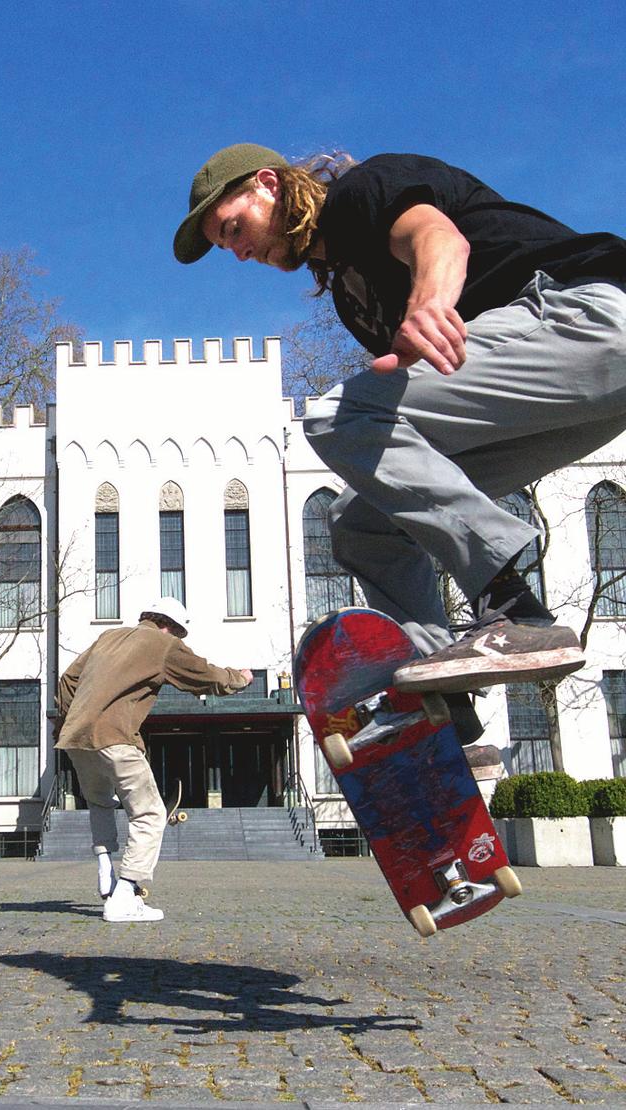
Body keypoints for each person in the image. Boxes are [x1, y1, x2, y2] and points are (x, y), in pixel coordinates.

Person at [173, 143, 626, 714]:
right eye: (226, 246)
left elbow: (438, 239)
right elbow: (404, 436)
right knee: (360, 522)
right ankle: (437, 694)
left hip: (588, 317)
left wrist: (428, 303)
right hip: (581, 400)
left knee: (336, 414)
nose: (239, 252)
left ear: (270, 184)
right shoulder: (353, 296)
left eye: (234, 228)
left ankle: (514, 606)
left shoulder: (359, 193)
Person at [55, 597, 252, 923]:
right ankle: (125, 894)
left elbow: (68, 680)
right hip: (116, 738)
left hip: (76, 738)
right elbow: (205, 675)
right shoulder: (163, 644)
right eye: (178, 634)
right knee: (150, 813)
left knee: (100, 802)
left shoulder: (108, 637)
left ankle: (106, 867)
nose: (177, 641)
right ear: (169, 626)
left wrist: (69, 721)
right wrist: (239, 678)